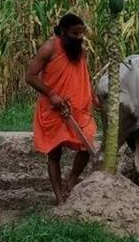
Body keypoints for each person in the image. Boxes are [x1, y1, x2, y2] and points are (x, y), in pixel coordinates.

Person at [26, 13, 98, 205]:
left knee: (87, 143)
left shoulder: (80, 51)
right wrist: (52, 94)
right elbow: (30, 76)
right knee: (54, 154)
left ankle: (72, 180)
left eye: (81, 33)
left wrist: (93, 95)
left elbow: (83, 75)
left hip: (78, 108)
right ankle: (59, 198)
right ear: (64, 32)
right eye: (75, 33)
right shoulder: (49, 48)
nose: (79, 37)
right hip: (55, 109)